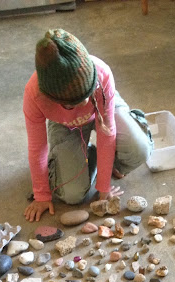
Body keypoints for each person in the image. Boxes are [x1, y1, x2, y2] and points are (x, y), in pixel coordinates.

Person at [23, 28, 153, 222]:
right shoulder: (35, 94)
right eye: (73, 103)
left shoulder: (101, 73)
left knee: (139, 150)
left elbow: (106, 132)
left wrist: (104, 187)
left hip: (103, 108)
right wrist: (41, 195)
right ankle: (88, 156)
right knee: (72, 195)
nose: (84, 104)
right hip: (65, 124)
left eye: (86, 95)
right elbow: (37, 148)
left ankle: (108, 161)